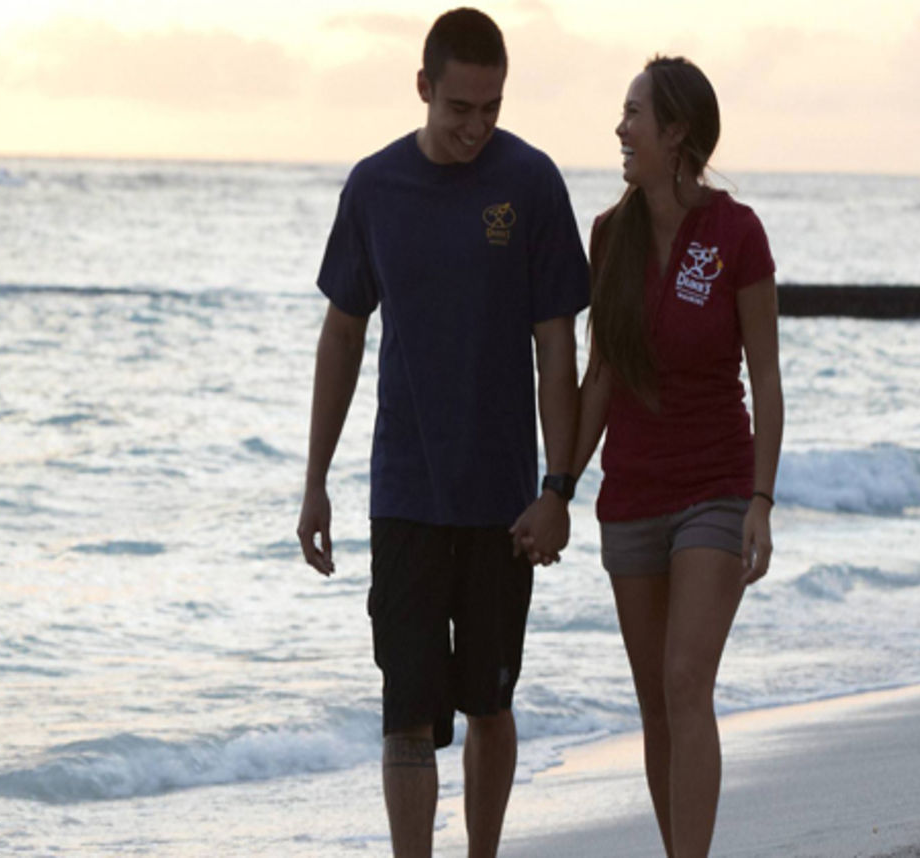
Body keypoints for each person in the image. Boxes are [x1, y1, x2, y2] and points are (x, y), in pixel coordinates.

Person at [293, 8, 589, 856]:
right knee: (407, 714)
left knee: (490, 702)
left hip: (504, 502)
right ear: (424, 88)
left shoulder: (531, 184)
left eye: (491, 107)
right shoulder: (375, 187)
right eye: (460, 106)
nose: (475, 126)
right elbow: (342, 333)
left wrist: (559, 489)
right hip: (407, 495)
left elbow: (557, 347)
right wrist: (317, 479)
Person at [561, 56, 782, 858]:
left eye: (634, 115)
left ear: (676, 130)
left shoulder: (736, 233)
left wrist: (762, 499)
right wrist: (559, 487)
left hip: (717, 486)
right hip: (631, 496)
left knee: (688, 679)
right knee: (656, 700)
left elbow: (767, 376)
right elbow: (600, 377)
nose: (621, 130)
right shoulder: (609, 236)